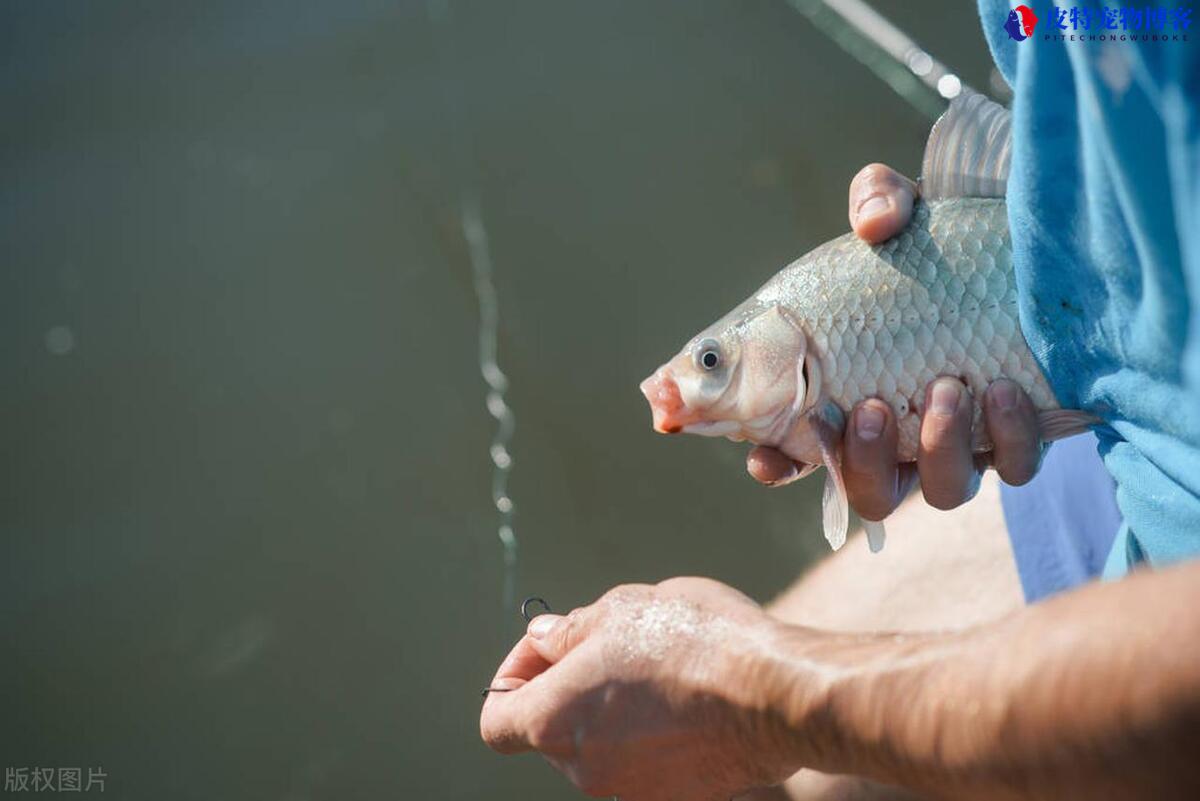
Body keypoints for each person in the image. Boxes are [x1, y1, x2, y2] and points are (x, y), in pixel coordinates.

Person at [479, 2, 1200, 798]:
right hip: (1132, 428)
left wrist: (764, 703)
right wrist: (1031, 202)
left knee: (773, 757)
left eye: (715, 360)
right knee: (736, 759)